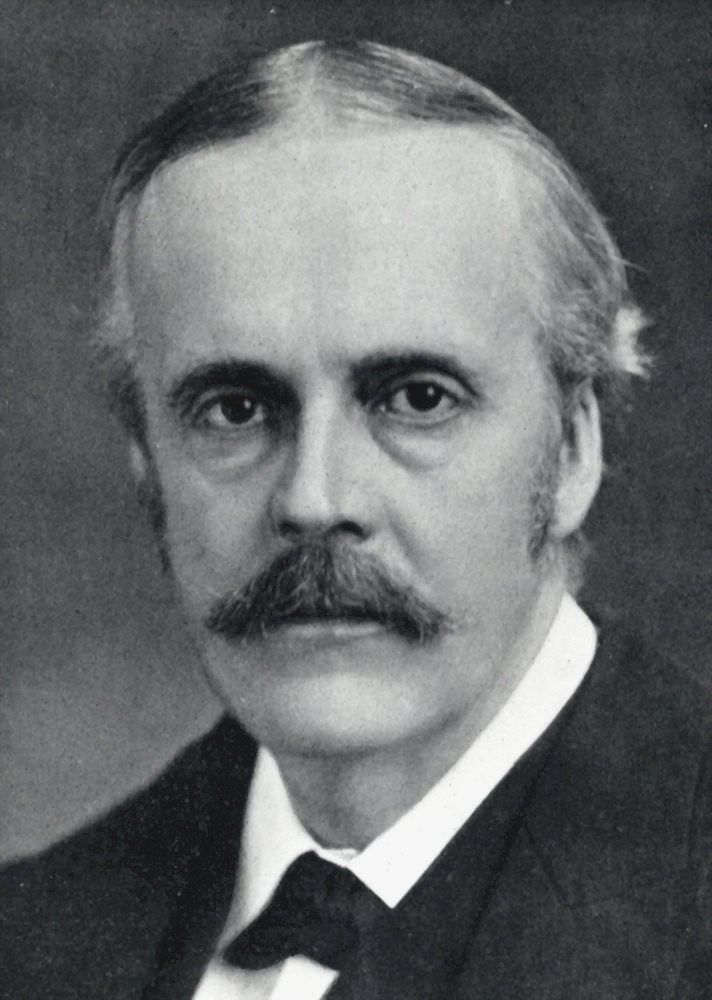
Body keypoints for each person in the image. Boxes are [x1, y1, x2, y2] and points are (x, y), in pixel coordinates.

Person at [0, 39, 708, 1000]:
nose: (315, 499)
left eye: (416, 398)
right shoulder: (28, 938)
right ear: (146, 464)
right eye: (235, 410)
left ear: (575, 447)